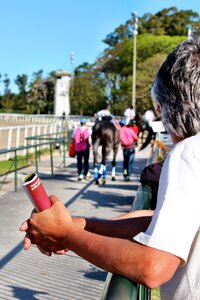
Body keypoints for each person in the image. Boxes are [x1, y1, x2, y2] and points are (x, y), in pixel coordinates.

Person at [20, 31, 200, 299]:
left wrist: (65, 233)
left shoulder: (190, 151)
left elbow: (153, 267)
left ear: (173, 108)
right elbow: (164, 221)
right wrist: (75, 225)